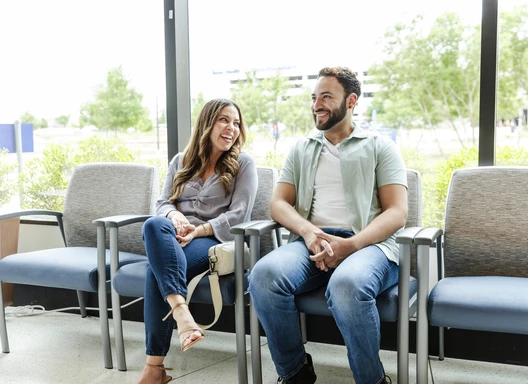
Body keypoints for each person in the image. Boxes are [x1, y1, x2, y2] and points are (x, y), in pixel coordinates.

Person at [248, 67, 408, 384]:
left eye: (326, 97)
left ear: (351, 101)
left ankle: (372, 380)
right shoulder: (302, 148)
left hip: (370, 247)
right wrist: (308, 232)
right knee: (263, 277)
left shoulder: (380, 146)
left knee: (346, 286)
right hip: (313, 242)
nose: (316, 105)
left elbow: (397, 212)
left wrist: (351, 245)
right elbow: (278, 203)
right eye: (314, 98)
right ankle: (295, 373)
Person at [137, 98, 258, 384]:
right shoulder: (181, 161)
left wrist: (198, 230)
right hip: (174, 237)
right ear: (207, 123)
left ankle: (154, 369)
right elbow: (162, 202)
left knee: (155, 273)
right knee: (154, 223)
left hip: (213, 240)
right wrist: (175, 216)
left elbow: (240, 214)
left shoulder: (243, 163)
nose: (232, 128)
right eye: (224, 120)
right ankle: (181, 314)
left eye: (237, 123)